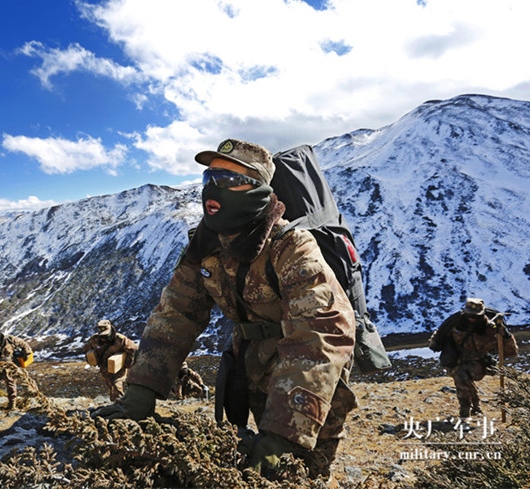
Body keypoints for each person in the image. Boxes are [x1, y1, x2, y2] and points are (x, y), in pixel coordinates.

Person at [92, 139, 358, 481]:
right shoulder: (205, 244)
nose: (215, 189)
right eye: (210, 179)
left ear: (258, 189)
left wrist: (284, 433)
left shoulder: (291, 247)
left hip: (310, 384)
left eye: (230, 181)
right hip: (251, 368)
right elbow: (175, 315)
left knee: (303, 473)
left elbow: (320, 334)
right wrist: (140, 392)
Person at [430, 298, 518, 418]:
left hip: (480, 363)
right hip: (455, 360)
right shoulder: (454, 324)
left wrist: (506, 336)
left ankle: (469, 411)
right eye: (470, 315)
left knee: (463, 377)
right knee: (462, 378)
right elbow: (437, 340)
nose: (472, 318)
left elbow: (511, 352)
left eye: (476, 316)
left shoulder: (491, 329)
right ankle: (469, 410)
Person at [0, 323, 33, 413]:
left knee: (12, 388)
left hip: (9, 368)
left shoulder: (10, 340)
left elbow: (24, 344)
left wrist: (26, 354)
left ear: (0, 331)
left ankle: (12, 407)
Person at [83, 319, 138, 401]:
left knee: (117, 387)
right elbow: (86, 350)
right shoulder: (94, 339)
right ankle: (116, 403)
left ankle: (120, 407)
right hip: (104, 369)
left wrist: (128, 361)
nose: (103, 339)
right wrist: (91, 358)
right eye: (101, 336)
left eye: (105, 336)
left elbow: (135, 350)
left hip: (119, 369)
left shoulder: (120, 339)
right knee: (111, 387)